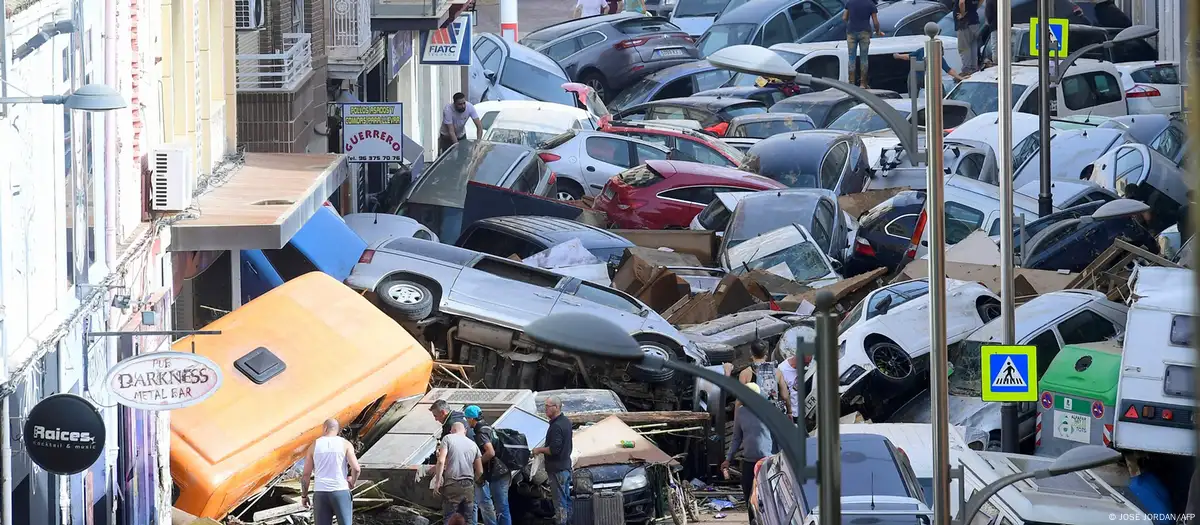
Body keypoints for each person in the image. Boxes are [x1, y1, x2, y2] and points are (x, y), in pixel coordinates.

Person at [721, 383, 773, 525]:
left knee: (768, 496)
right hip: (749, 461)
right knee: (749, 496)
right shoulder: (741, 412)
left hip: (767, 461)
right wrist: (728, 459)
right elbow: (737, 438)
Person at [300, 419, 362, 525]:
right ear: (337, 430)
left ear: (325, 428)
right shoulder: (345, 444)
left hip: (320, 493)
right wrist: (353, 482)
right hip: (340, 491)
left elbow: (306, 474)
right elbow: (356, 469)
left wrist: (304, 496)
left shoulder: (314, 446)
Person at [532, 396, 573, 525]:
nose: (545, 409)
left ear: (556, 407)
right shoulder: (565, 421)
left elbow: (554, 450)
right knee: (566, 500)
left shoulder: (556, 426)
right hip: (565, 467)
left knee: (560, 502)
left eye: (547, 406)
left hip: (557, 470)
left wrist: (539, 450)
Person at [434, 422, 485, 525]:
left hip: (452, 484)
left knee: (450, 517)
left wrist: (438, 482)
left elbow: (441, 461)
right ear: (465, 431)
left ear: (452, 430)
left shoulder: (448, 438)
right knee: (467, 520)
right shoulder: (473, 444)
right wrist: (472, 482)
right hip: (469, 486)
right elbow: (480, 471)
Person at [465, 405, 509, 525]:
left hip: (497, 472)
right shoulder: (487, 426)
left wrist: (477, 463)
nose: (466, 421)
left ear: (471, 419)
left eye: (467, 418)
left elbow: (490, 452)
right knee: (501, 506)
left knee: (500, 507)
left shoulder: (480, 431)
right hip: (502, 469)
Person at [737, 341, 793, 422]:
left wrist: (737, 419)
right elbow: (785, 396)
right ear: (766, 353)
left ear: (751, 352)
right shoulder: (777, 372)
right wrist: (789, 412)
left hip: (755, 417)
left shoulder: (745, 374)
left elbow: (740, 400)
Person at [893, 46, 969, 99]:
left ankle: (944, 102)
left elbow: (948, 70)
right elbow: (909, 56)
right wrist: (899, 56)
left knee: (940, 89)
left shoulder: (938, 57)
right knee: (913, 97)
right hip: (915, 76)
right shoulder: (922, 51)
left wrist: (960, 78)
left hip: (929, 77)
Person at [843, 0, 884, 88]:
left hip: (851, 32)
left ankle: (851, 83)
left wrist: (851, 23)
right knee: (864, 58)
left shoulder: (850, 2)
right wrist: (878, 32)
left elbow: (844, 17)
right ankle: (863, 83)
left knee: (851, 58)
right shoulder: (870, 4)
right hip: (865, 32)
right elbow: (875, 22)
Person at [954, 0, 980, 74]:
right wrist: (974, 9)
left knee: (964, 47)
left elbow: (962, 2)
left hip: (965, 23)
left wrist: (963, 14)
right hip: (974, 21)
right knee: (973, 46)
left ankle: (966, 70)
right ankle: (974, 68)